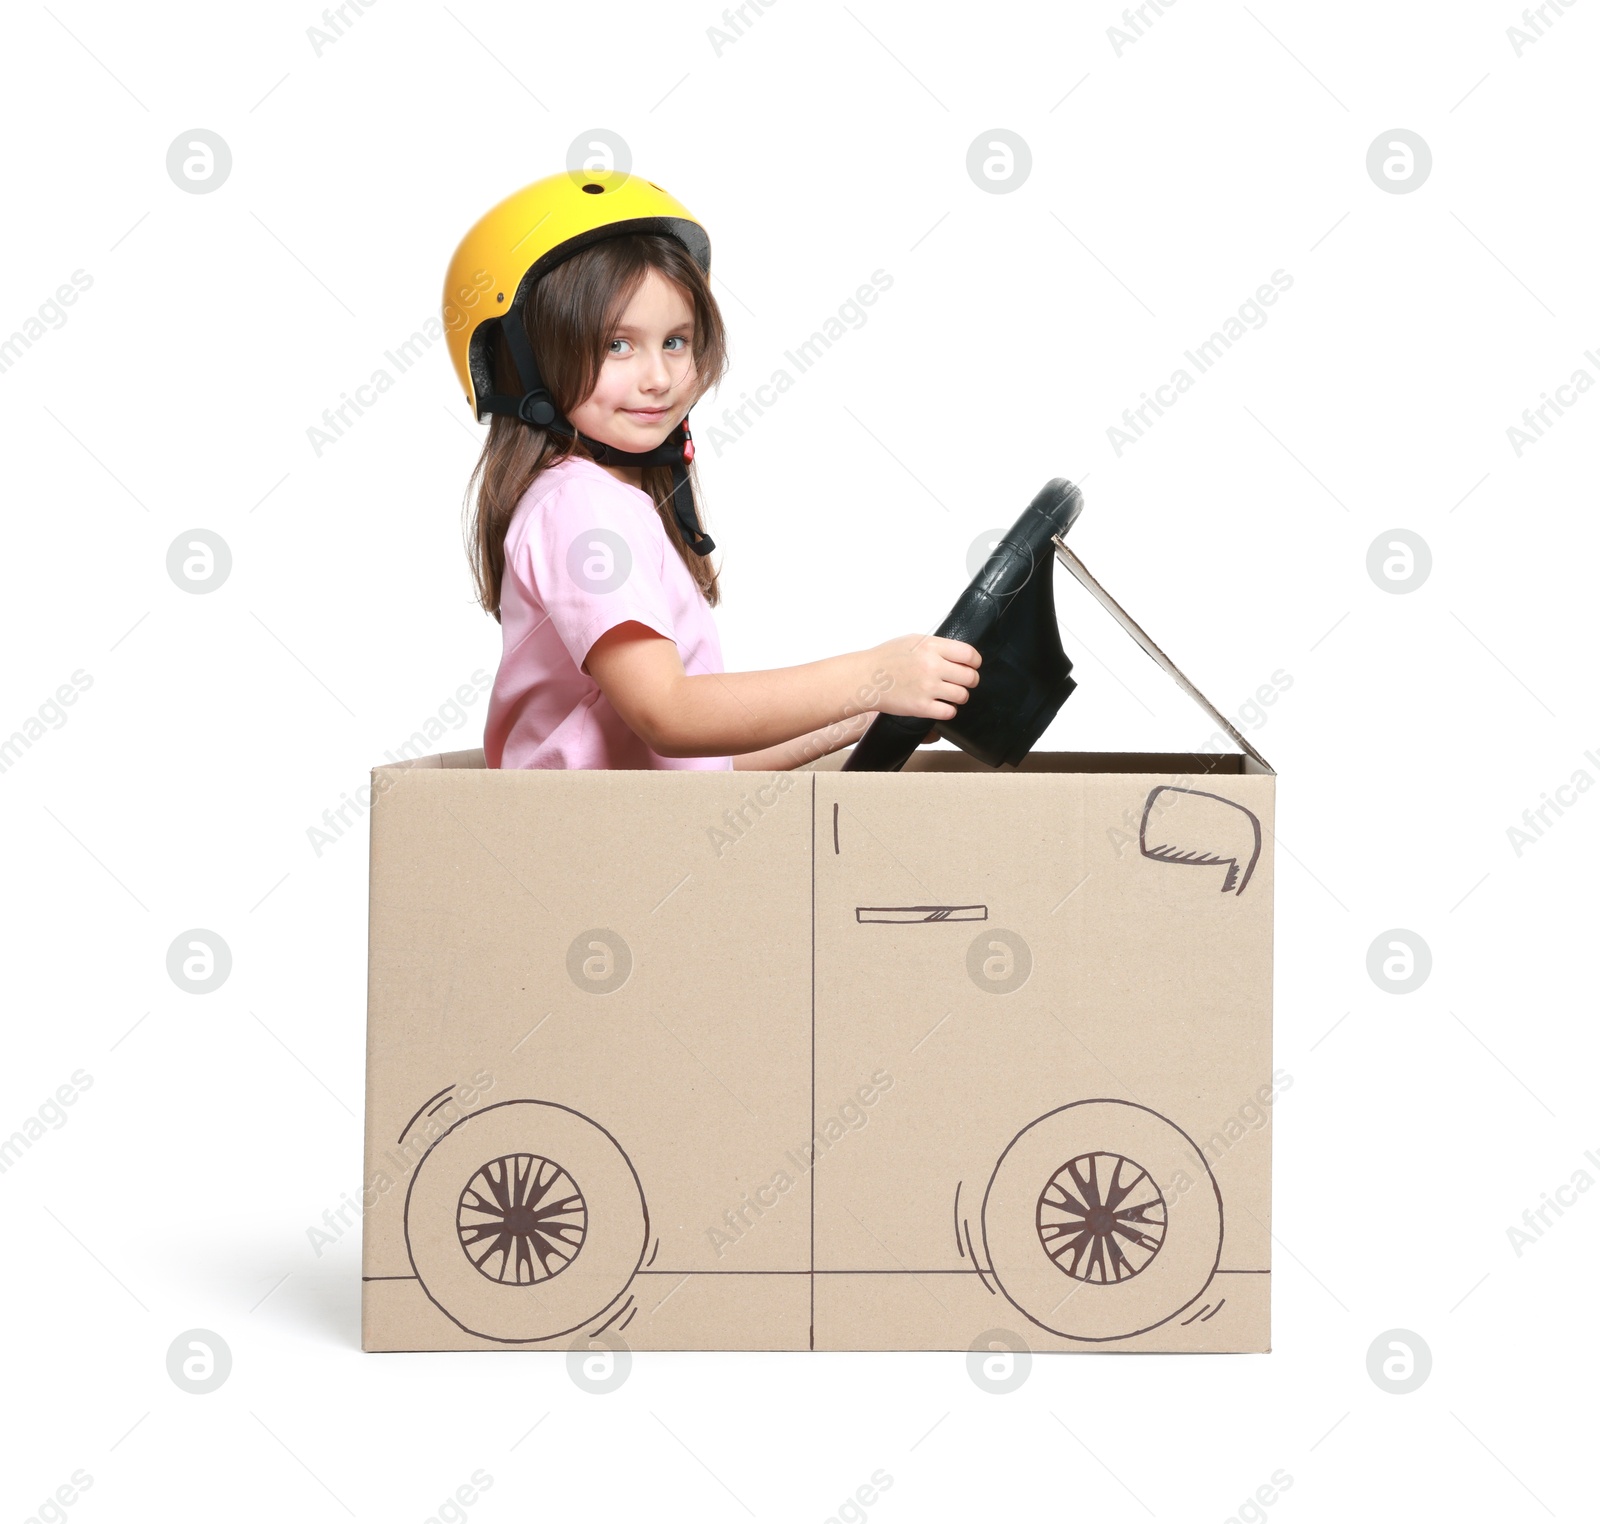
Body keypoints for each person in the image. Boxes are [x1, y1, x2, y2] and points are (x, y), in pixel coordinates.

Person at [444, 170, 980, 770]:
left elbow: (695, 768)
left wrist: (868, 709)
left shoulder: (610, 503)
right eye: (617, 344)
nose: (659, 377)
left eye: (676, 341)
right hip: (590, 852)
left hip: (628, 836)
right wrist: (874, 673)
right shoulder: (582, 509)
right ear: (526, 362)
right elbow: (671, 717)